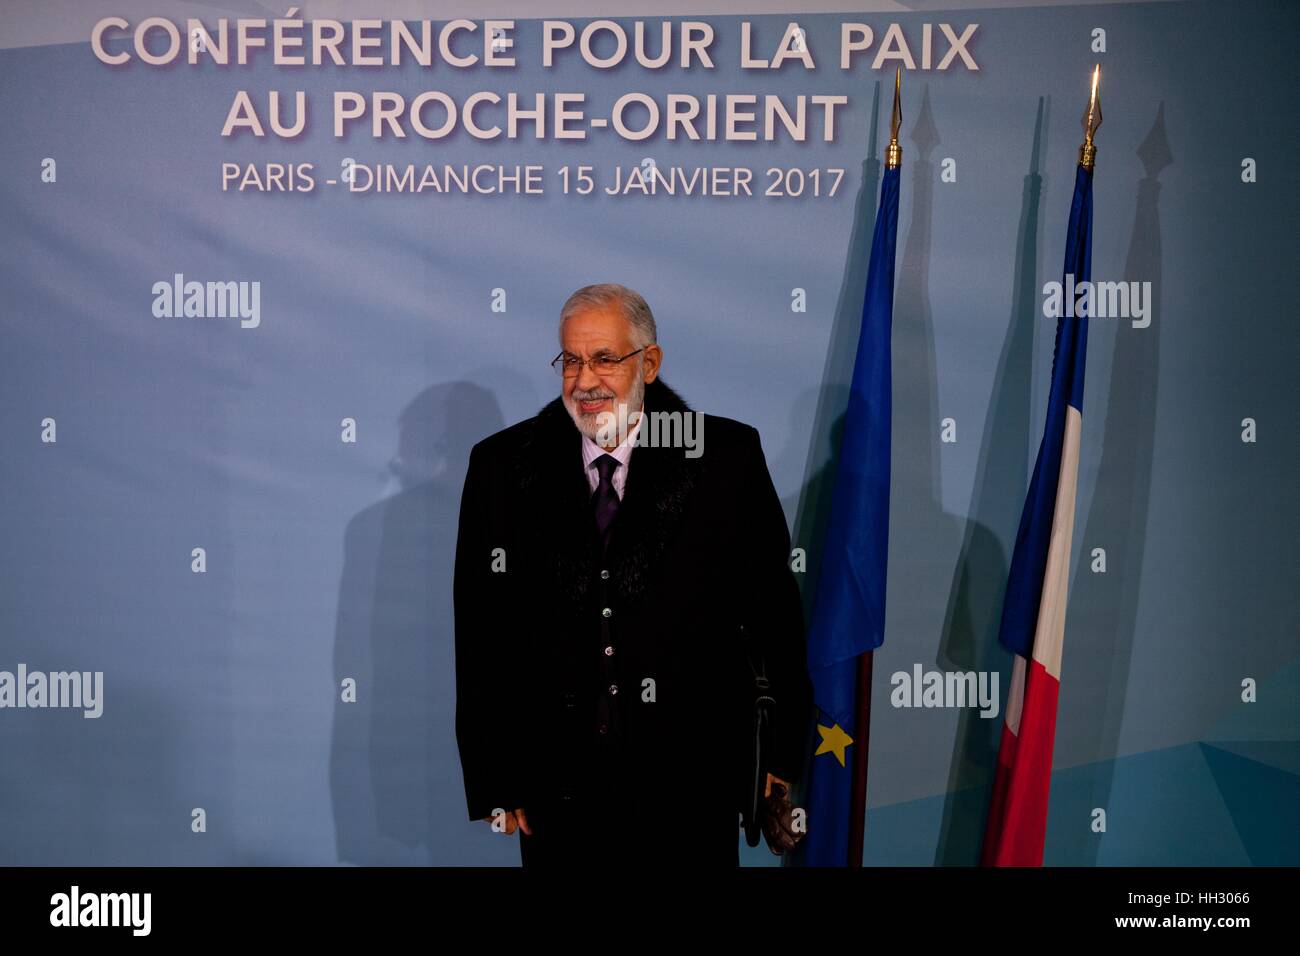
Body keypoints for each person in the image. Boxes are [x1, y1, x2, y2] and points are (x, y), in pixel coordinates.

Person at [453, 283, 812, 867]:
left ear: (649, 362)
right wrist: (497, 775)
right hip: (557, 791)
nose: (584, 380)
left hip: (693, 785)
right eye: (570, 359)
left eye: (603, 358)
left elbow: (774, 613)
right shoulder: (500, 466)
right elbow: (482, 633)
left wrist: (782, 753)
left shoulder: (725, 457)